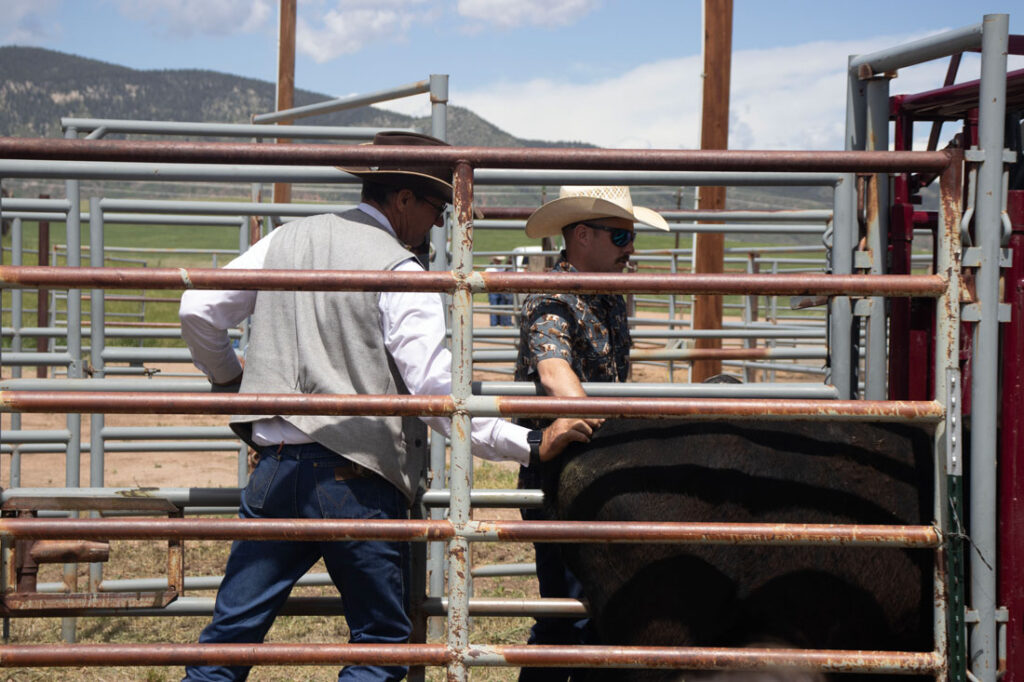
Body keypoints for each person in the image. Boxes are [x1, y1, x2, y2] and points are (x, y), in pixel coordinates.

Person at [178, 132, 600, 682]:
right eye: (436, 208)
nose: (438, 224)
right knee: (381, 646)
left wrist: (233, 384)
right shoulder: (400, 271)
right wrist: (527, 442)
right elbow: (436, 391)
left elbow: (197, 309)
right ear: (403, 200)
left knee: (230, 639)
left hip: (277, 469)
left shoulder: (284, 241)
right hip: (357, 478)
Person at [513, 185, 669, 682]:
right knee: (570, 612)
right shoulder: (551, 297)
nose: (630, 248)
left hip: (596, 468)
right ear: (583, 236)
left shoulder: (606, 295)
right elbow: (555, 371)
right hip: (559, 469)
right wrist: (599, 424)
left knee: (589, 610)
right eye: (622, 235)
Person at [485, 256, 514, 326]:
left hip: (500, 290)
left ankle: (500, 322)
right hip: (493, 290)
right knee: (494, 306)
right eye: (498, 260)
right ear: (494, 260)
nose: (499, 262)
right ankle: (494, 323)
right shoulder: (489, 269)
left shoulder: (502, 268)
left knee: (500, 306)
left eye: (500, 261)